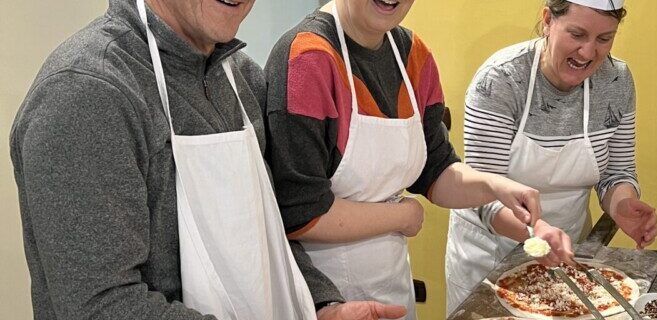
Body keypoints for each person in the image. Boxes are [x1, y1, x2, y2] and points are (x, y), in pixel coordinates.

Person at [9, 0, 404, 319]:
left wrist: (322, 306)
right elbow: (99, 306)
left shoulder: (242, 78)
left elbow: (268, 234)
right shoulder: (89, 92)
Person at [262, 0, 560, 318]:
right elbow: (300, 212)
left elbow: (436, 171)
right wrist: (402, 217)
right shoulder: (307, 58)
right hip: (325, 298)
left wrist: (496, 186)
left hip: (393, 284)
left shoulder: (411, 54)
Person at [444, 0, 657, 313]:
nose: (588, 53)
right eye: (577, 34)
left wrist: (621, 204)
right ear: (547, 20)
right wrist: (535, 232)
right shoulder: (501, 80)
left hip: (568, 254)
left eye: (604, 39)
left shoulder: (616, 81)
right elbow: (481, 195)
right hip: (489, 253)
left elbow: (617, 171)